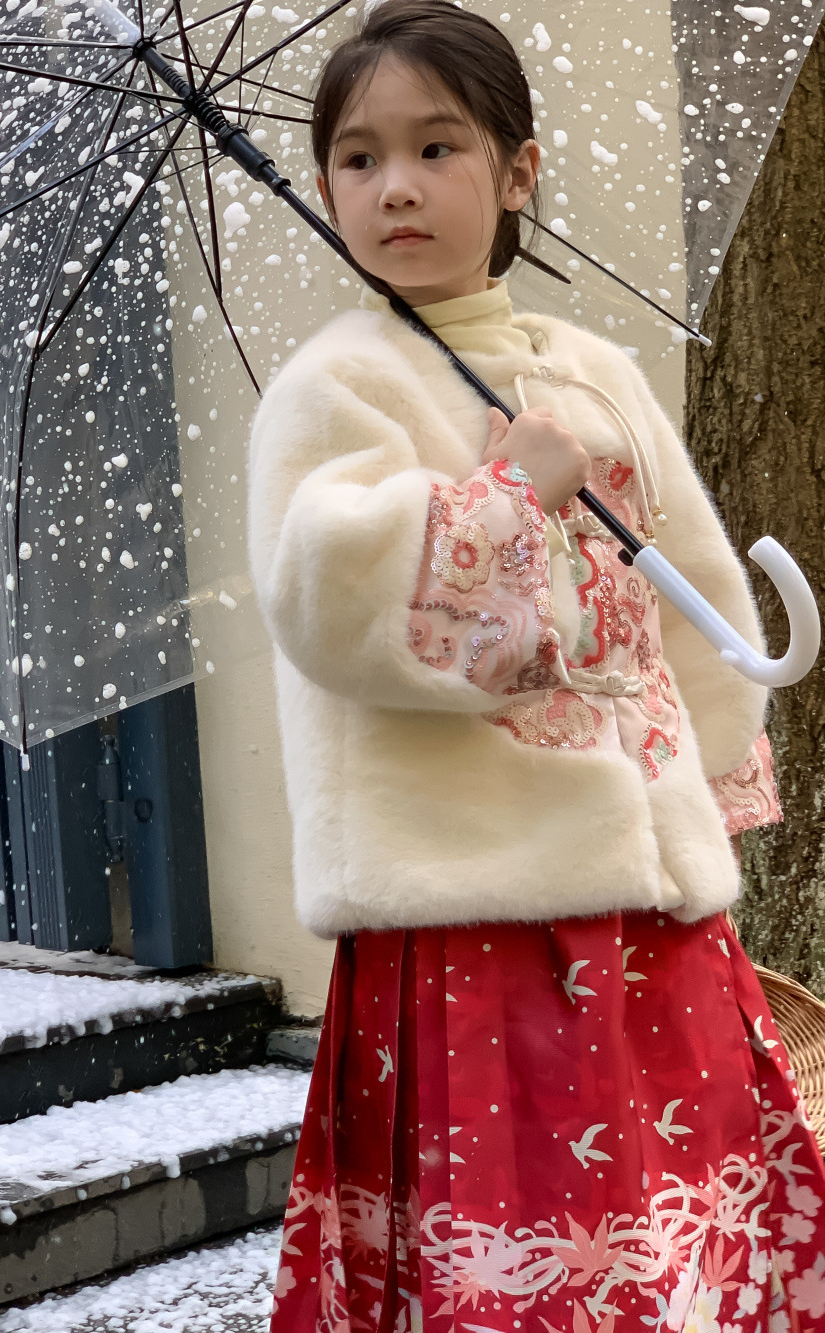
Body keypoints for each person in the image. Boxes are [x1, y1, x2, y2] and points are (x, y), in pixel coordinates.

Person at [246, 1, 825, 1328]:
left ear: (518, 171)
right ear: (327, 187)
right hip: (472, 908)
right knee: (528, 1240)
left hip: (650, 906)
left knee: (679, 1219)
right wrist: (508, 499)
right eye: (358, 157)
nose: (395, 186)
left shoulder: (591, 368)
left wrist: (707, 773)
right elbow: (329, 602)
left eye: (437, 147)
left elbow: (685, 588)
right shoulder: (338, 389)